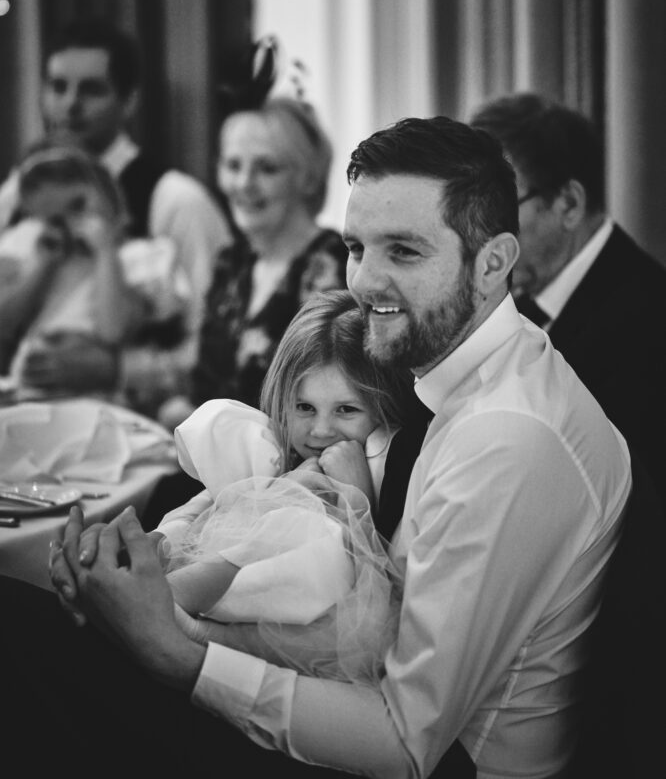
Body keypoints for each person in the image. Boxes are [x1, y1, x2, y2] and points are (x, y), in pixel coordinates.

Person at [5, 115, 630, 778]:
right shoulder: (478, 377)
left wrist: (179, 650)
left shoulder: (505, 438)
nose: (364, 282)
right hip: (376, 709)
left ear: (493, 262)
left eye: (404, 251)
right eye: (357, 247)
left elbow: (402, 743)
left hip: (446, 765)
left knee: (17, 639)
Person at [143, 290, 412, 685]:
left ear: (382, 407)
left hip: (300, 619)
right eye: (304, 407)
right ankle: (158, 593)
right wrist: (165, 536)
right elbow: (208, 501)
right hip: (237, 591)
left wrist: (356, 495)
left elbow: (373, 584)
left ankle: (165, 601)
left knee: (296, 524)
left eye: (346, 409)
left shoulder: (379, 464)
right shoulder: (274, 448)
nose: (320, 430)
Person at [0, 18, 232, 401]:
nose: (70, 105)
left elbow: (216, 345)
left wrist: (119, 369)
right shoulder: (14, 197)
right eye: (58, 87)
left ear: (129, 101)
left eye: (91, 90)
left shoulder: (176, 200)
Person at [469, 92, 666, 510]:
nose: (480, 233)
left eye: (498, 208)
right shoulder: (513, 303)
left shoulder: (650, 321)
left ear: (569, 203)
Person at [157, 96, 348, 431]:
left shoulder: (331, 262)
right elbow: (205, 384)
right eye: (233, 166)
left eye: (267, 168)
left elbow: (323, 403)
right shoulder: (231, 263)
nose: (244, 183)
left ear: (307, 178)